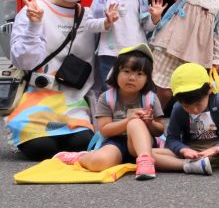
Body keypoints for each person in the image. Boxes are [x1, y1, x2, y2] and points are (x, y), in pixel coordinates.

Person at [7, 0, 104, 160]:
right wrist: (34, 25)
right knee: (41, 148)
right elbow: (23, 61)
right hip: (37, 99)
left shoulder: (90, 18)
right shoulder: (34, 10)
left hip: (73, 102)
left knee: (82, 143)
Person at [54, 44, 165, 180]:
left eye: (139, 74)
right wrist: (127, 121)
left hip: (144, 146)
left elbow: (159, 130)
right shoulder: (107, 97)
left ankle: (145, 161)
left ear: (148, 79)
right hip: (116, 143)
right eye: (126, 71)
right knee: (98, 163)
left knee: (136, 123)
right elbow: (105, 130)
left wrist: (150, 122)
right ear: (116, 72)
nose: (132, 78)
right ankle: (82, 157)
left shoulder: (150, 98)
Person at [151, 63, 219, 175]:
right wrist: (183, 149)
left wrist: (218, 148)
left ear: (209, 89)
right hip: (193, 151)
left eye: (198, 104)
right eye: (187, 106)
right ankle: (192, 165)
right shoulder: (178, 108)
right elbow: (172, 138)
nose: (195, 110)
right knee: (147, 154)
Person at [86, 0, 160, 81]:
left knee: (134, 89)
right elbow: (89, 25)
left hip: (136, 53)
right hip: (109, 54)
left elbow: (147, 27)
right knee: (108, 91)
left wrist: (155, 18)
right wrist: (106, 22)